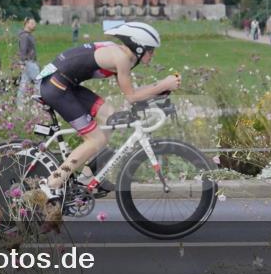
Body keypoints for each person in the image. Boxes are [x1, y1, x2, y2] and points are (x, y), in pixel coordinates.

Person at [31, 22, 181, 213]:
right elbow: (132, 97)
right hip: (57, 87)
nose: (153, 55)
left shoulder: (124, 55)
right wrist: (162, 85)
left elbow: (133, 94)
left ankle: (87, 175)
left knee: (111, 116)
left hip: (66, 84)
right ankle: (52, 183)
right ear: (139, 47)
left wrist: (162, 87)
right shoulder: (122, 59)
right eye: (151, 51)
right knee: (96, 140)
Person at [17, 17, 40, 103]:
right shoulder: (25, 36)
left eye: (35, 23)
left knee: (23, 84)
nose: (34, 25)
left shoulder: (27, 35)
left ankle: (20, 106)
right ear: (26, 24)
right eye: (32, 23)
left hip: (28, 62)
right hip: (29, 62)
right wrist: (23, 63)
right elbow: (23, 50)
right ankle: (39, 104)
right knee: (39, 82)